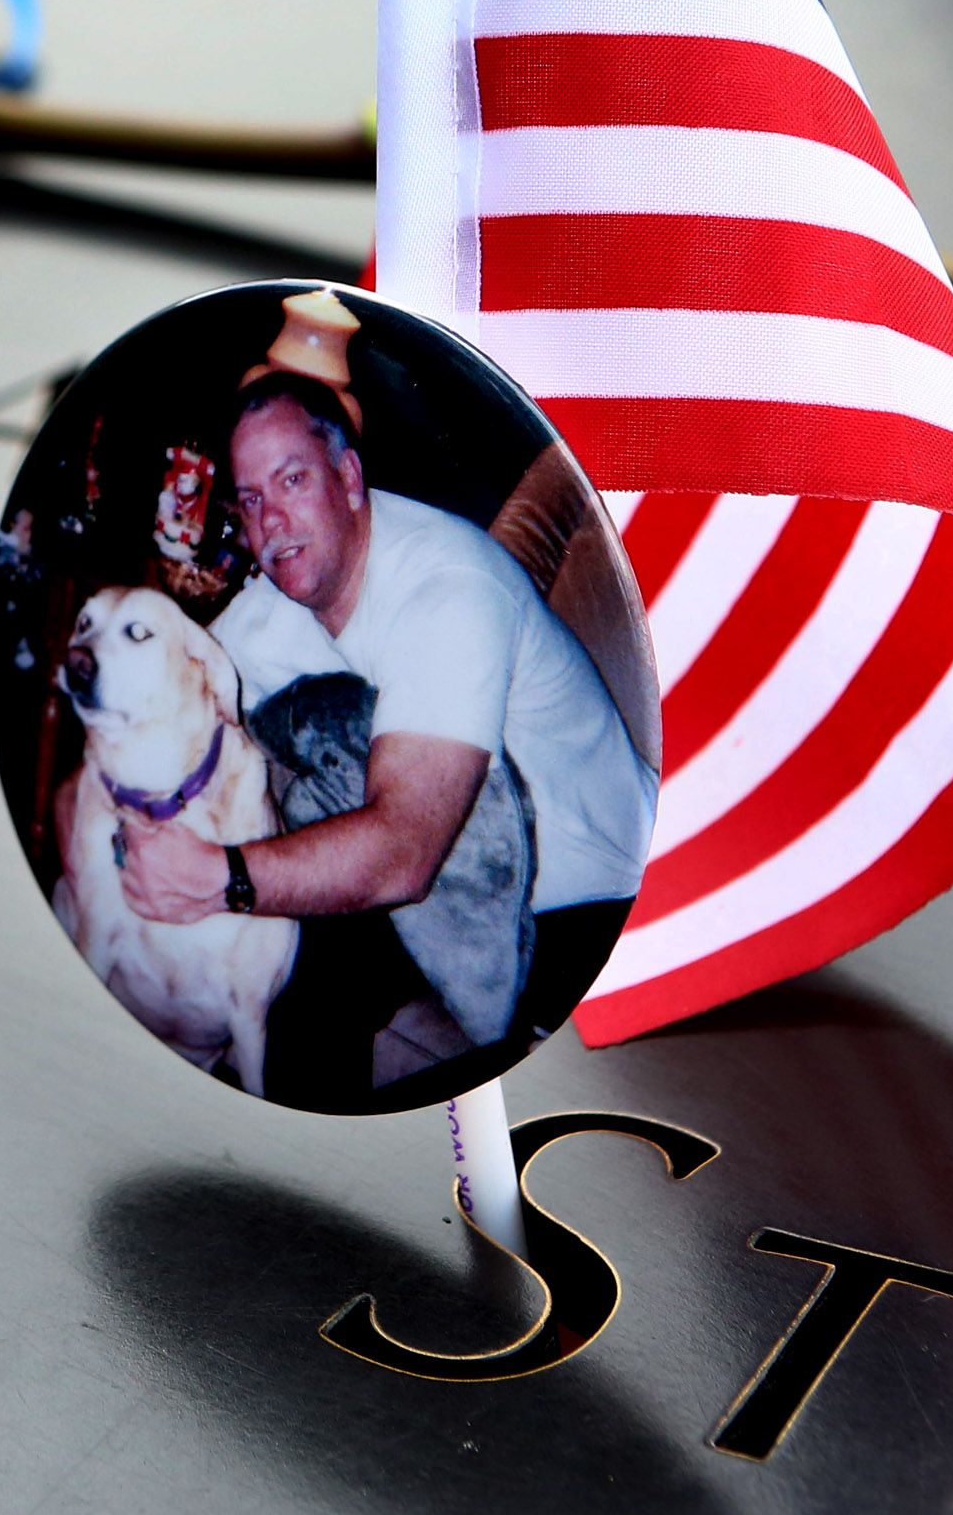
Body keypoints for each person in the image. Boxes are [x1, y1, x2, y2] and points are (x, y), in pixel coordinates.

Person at [115, 366, 655, 1104]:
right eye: (250, 500)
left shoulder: (450, 591)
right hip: (461, 894)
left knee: (308, 957)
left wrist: (222, 876)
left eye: (293, 479)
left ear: (348, 476)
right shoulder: (278, 600)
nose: (270, 522)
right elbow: (173, 695)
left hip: (595, 919)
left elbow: (402, 852)